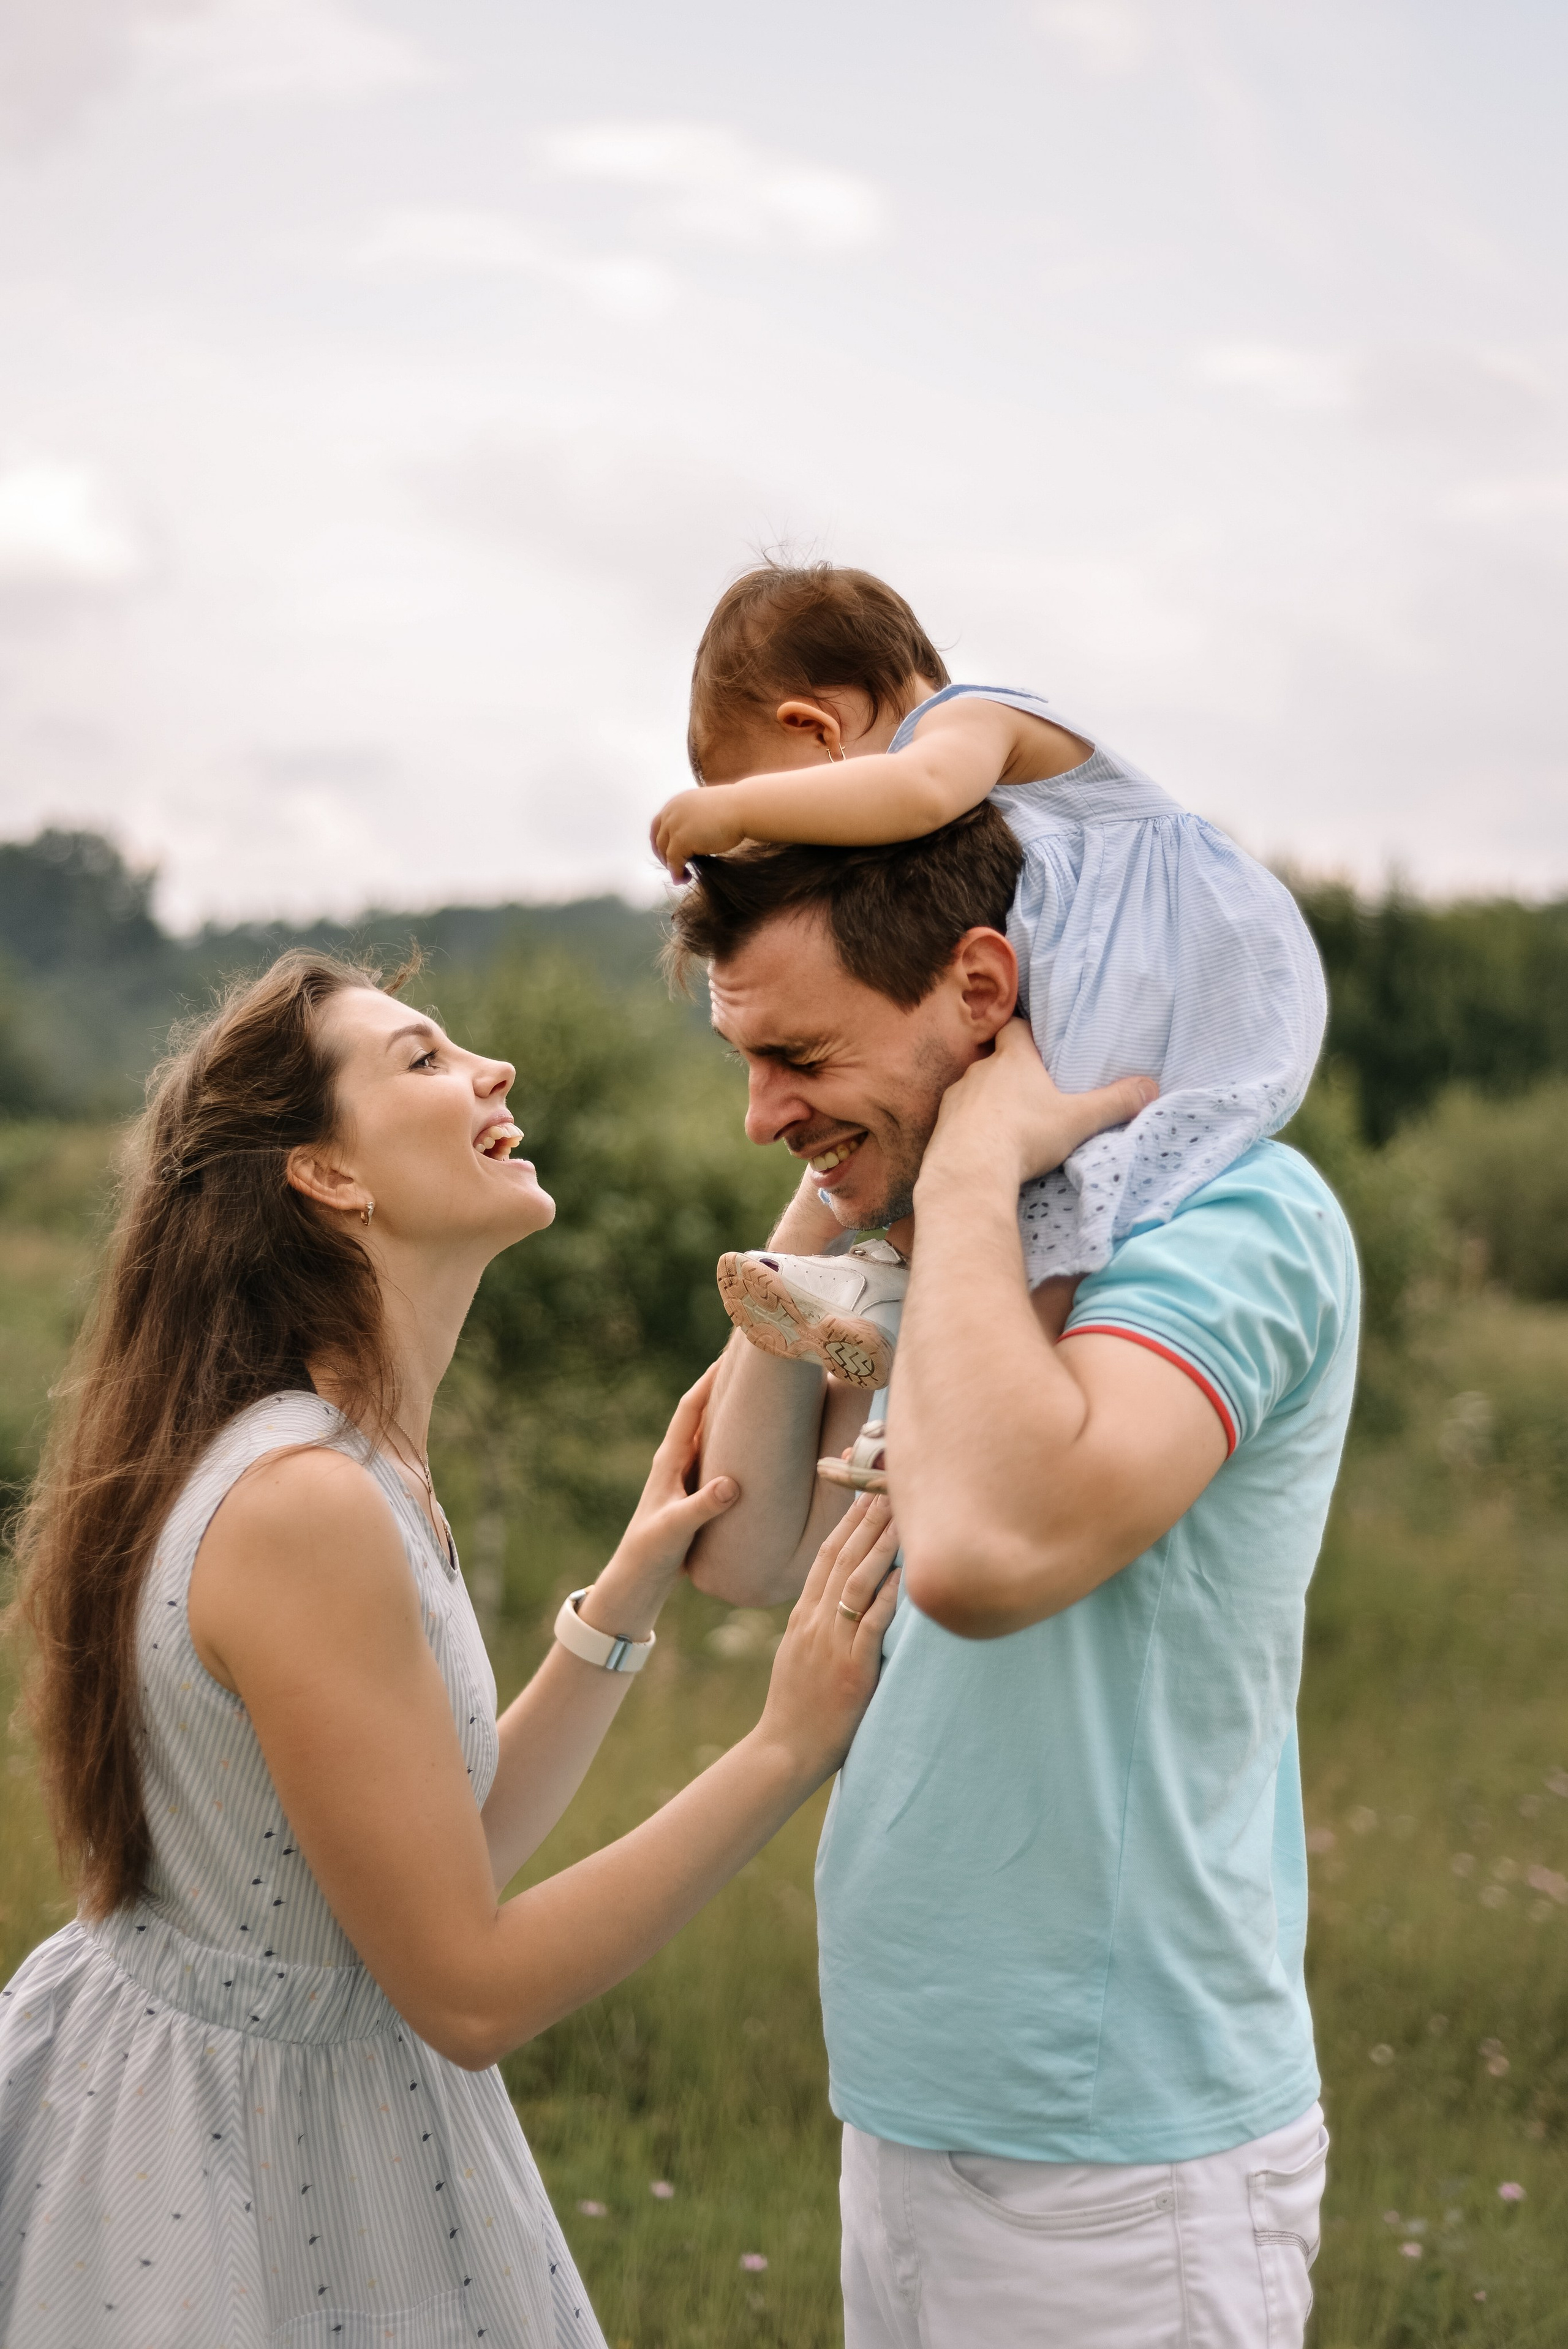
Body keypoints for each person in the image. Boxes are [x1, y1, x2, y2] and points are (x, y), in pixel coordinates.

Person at [0, 949, 901, 2349]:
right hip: (235, 2168)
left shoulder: (353, 1461)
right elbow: (466, 1988)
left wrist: (616, 1609)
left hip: (271, 2109)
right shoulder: (303, 1504)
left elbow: (440, 1864)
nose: (494, 1069)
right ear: (327, 1176)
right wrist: (785, 1742)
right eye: (420, 1059)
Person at [666, 701, 1359, 2339]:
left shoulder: (1237, 1224)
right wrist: (850, 1172)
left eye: (802, 1057)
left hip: (1125, 2159)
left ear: (983, 989)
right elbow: (745, 1543)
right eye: (745, 1060)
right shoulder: (954, 1239)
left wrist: (967, 1171)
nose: (762, 1107)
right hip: (911, 2100)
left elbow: (979, 1560)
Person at [653, 564, 1325, 1401]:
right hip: (1100, 965)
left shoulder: (971, 720)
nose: (792, 840)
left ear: (819, 731)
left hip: (1156, 974)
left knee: (1080, 1166)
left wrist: (740, 814)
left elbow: (916, 790)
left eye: (780, 801)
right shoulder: (977, 830)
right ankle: (898, 1308)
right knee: (1035, 1161)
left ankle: (982, 1379)